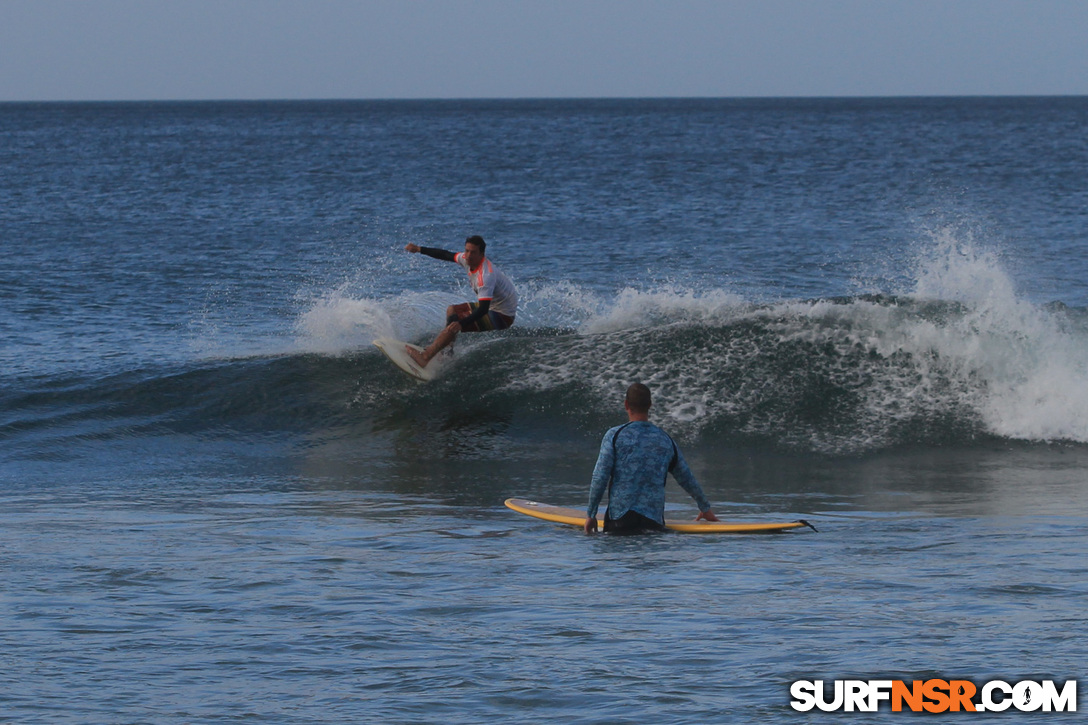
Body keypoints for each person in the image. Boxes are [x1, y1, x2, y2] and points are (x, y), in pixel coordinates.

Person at [584, 383, 719, 534]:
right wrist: (704, 508)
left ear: (626, 404)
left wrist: (591, 514)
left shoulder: (614, 436)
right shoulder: (665, 440)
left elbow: (600, 476)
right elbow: (686, 478)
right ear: (650, 405)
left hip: (620, 522)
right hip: (653, 523)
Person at [403, 235, 517, 368]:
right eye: (467, 250)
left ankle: (425, 357)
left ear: (482, 254)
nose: (468, 255)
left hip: (503, 315)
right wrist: (419, 249)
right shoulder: (466, 259)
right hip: (494, 305)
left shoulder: (485, 276)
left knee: (454, 324)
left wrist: (461, 324)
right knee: (452, 310)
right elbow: (445, 254)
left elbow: (483, 310)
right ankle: (447, 351)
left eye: (473, 252)